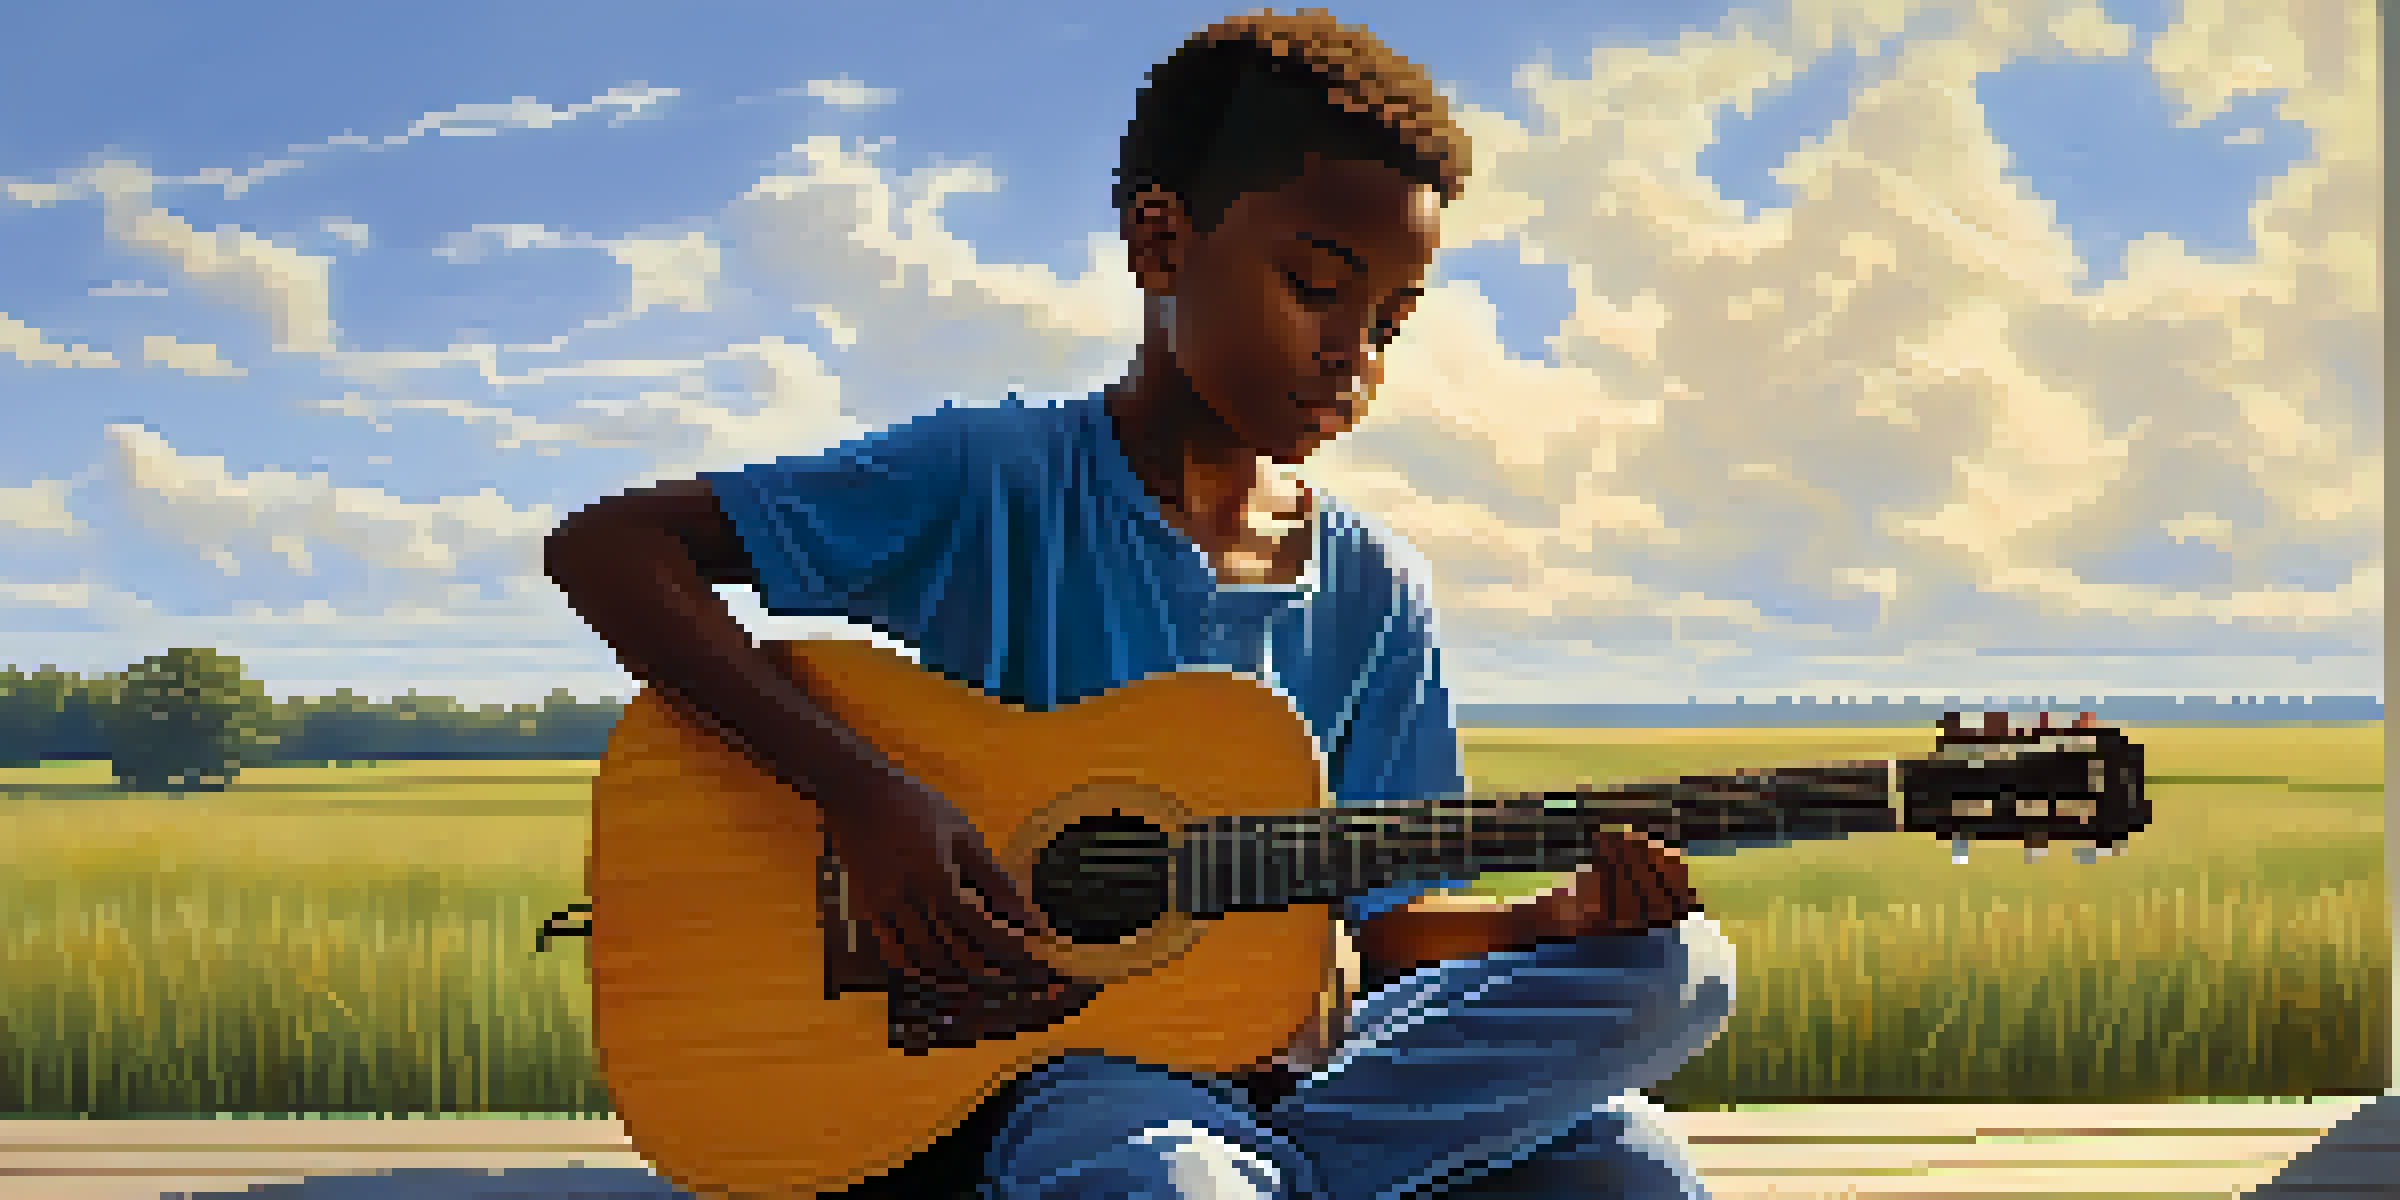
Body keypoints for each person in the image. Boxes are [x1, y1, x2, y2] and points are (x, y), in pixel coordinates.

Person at [543, 10, 1736, 1199]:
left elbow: (1385, 927)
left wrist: (1548, 919)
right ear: (1162, 245)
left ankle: (1279, 1177)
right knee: (1183, 1184)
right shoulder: (992, 479)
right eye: (1316, 287)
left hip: (1313, 1065)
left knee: (1674, 986)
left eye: (1391, 321)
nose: (1353, 354)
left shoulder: (1377, 586)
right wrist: (867, 799)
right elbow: (611, 549)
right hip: (1077, 1069)